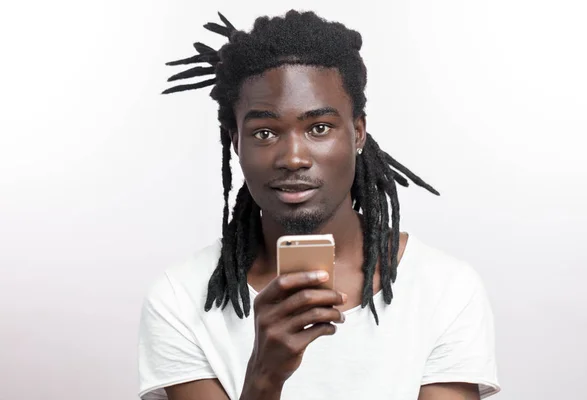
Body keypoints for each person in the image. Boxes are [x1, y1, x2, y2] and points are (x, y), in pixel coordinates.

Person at [137, 10, 500, 400]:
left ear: (357, 132)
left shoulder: (444, 289)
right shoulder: (180, 298)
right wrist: (264, 377)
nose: (293, 157)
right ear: (236, 142)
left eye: (319, 127)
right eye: (264, 131)